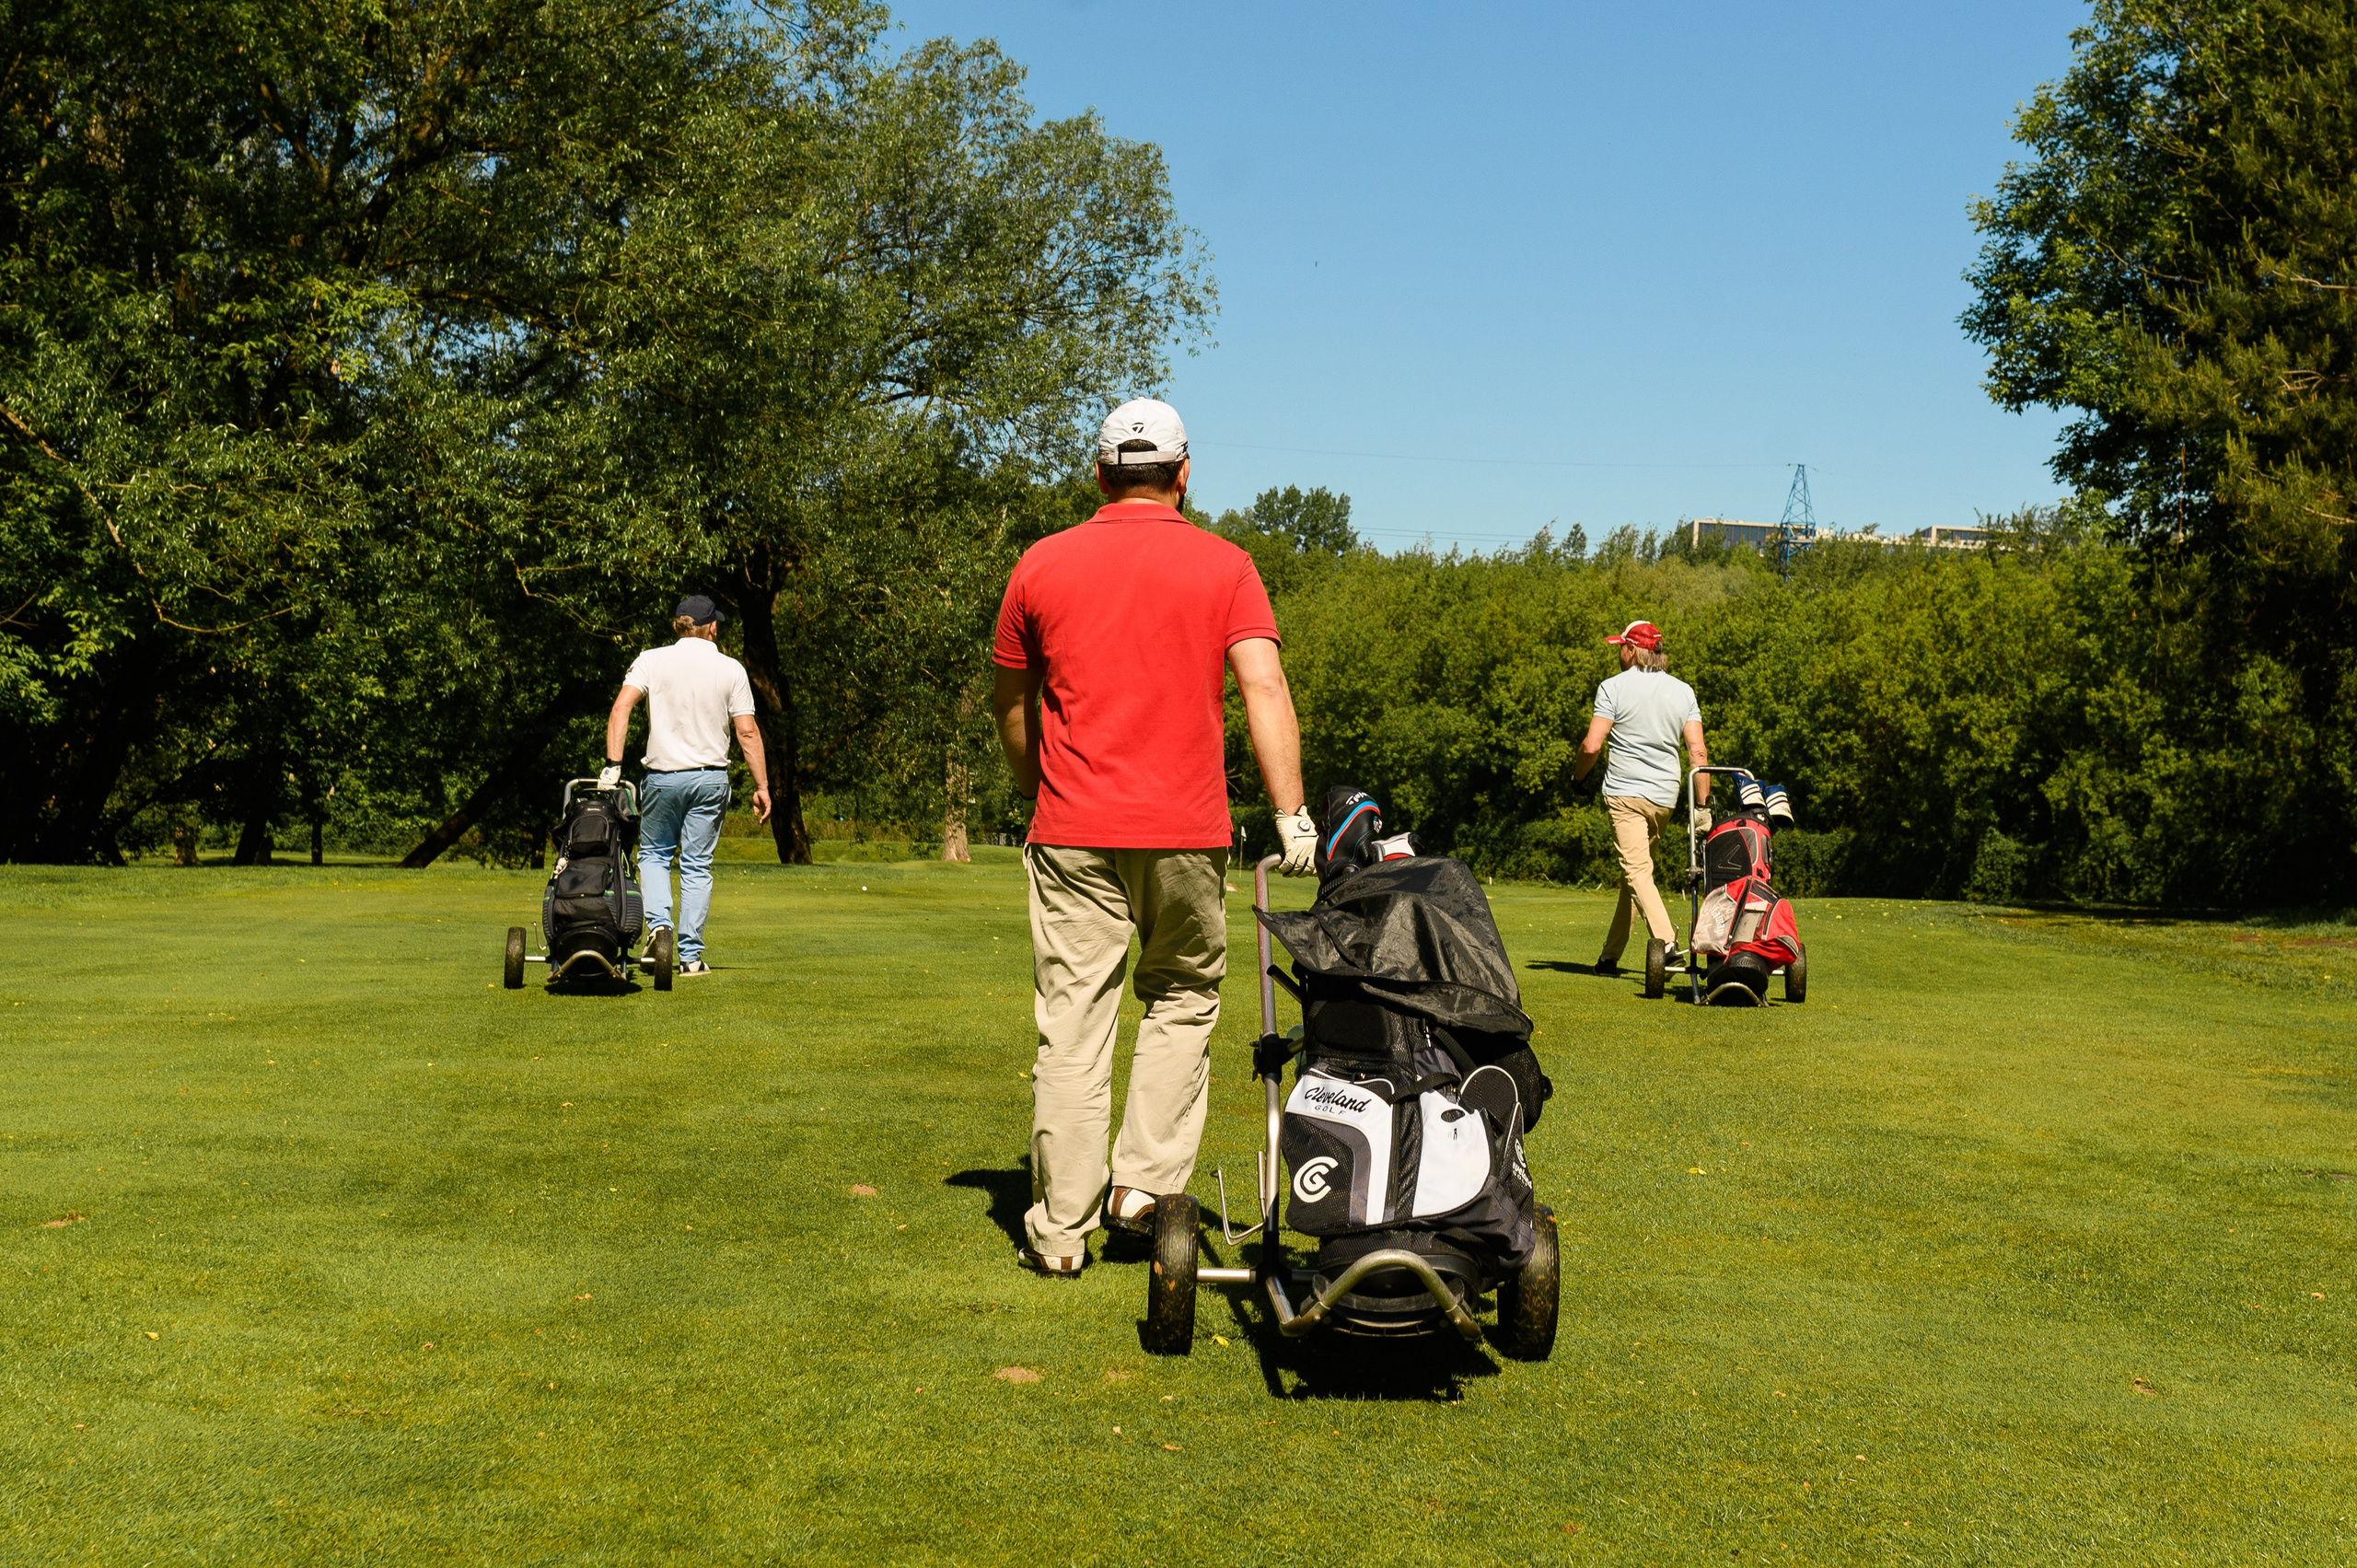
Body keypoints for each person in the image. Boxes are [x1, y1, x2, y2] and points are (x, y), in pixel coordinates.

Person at [992, 397, 1318, 1277]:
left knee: (1073, 1026)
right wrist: (1292, 811)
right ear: (1183, 473)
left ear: (1098, 473)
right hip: (1185, 829)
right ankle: (1140, 1190)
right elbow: (1263, 686)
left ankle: (1060, 1234)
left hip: (1070, 831)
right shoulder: (1227, 565)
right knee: (1179, 998)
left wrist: (1039, 793)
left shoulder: (1041, 564)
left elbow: (1012, 707)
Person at [602, 595, 772, 977]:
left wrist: (613, 766)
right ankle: (690, 958)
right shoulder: (731, 669)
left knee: (654, 856)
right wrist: (762, 786)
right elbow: (746, 731)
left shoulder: (651, 659)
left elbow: (621, 708)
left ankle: (659, 929)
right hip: (710, 778)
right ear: (711, 627)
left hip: (663, 777)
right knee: (696, 865)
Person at [1572, 620, 1710, 976]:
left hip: (1625, 793)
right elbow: (1698, 753)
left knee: (1637, 872)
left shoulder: (1612, 687)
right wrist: (1704, 806)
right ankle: (1609, 958)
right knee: (1634, 874)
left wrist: (1578, 777)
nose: (1619, 653)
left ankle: (1666, 942)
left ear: (1632, 649)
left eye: (1621, 646)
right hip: (1665, 797)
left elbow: (1591, 744)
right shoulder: (1683, 691)